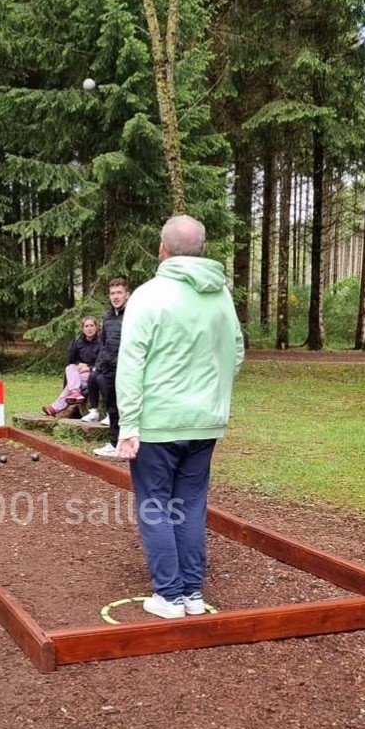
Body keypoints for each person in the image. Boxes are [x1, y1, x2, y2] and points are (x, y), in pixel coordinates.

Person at [115, 215, 244, 619]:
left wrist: (128, 425)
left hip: (157, 423)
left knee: (155, 507)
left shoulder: (149, 295)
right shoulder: (221, 295)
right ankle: (190, 592)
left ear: (162, 249)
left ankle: (169, 596)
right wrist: (209, 393)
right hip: (205, 422)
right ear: (202, 249)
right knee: (189, 505)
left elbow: (131, 362)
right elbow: (236, 352)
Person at [92, 277, 130, 454]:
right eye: (112, 293)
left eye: (119, 293)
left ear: (127, 295)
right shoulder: (107, 317)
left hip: (126, 369)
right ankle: (114, 444)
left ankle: (130, 443)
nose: (116, 297)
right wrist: (99, 365)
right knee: (111, 407)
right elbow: (104, 343)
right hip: (107, 370)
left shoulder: (132, 315)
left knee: (127, 408)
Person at [42, 315, 101, 416]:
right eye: (86, 326)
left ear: (96, 327)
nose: (89, 328)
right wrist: (79, 364)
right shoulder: (78, 342)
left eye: (91, 325)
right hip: (80, 371)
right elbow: (73, 361)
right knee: (70, 368)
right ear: (82, 328)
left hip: (94, 372)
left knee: (76, 381)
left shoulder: (101, 342)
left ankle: (56, 407)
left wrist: (89, 368)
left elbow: (103, 362)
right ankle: (75, 392)